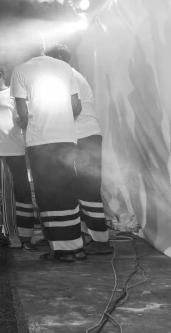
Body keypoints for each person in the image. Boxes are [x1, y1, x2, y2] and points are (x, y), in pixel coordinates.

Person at [11, 37, 84, 262]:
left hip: (40, 140)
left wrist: (28, 124)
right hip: (66, 138)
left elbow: (22, 114)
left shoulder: (21, 70)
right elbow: (76, 106)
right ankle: (76, 246)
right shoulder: (65, 68)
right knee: (68, 190)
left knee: (48, 194)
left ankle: (61, 250)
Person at [46, 44, 112, 255]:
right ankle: (90, 235)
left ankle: (101, 240)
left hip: (85, 136)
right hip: (79, 137)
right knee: (79, 188)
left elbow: (73, 108)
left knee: (88, 188)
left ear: (58, 59)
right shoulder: (68, 76)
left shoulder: (68, 76)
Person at [0, 63, 37, 252]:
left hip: (14, 151)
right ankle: (2, 236)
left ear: (0, 74)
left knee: (21, 194)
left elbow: (25, 120)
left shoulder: (14, 95)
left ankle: (26, 237)